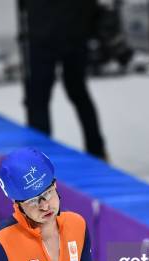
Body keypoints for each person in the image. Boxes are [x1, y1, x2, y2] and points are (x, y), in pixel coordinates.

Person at [17, 0, 109, 161]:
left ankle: (39, 159)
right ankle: (97, 149)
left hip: (46, 31)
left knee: (40, 97)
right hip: (73, 28)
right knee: (76, 91)